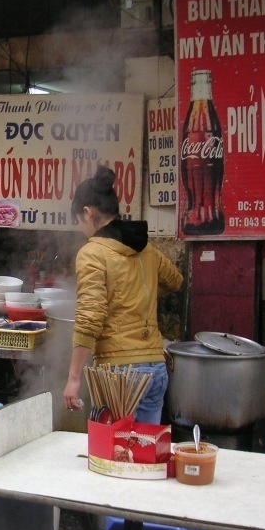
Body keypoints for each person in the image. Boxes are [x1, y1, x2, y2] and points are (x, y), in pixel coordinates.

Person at [63, 166, 183, 424]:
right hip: (155, 368)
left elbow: (89, 319)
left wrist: (73, 379)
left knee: (113, 456)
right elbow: (176, 281)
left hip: (119, 374)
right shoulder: (146, 249)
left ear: (88, 212)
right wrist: (144, 292)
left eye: (79, 222)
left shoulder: (92, 253)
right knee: (143, 454)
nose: (81, 230)